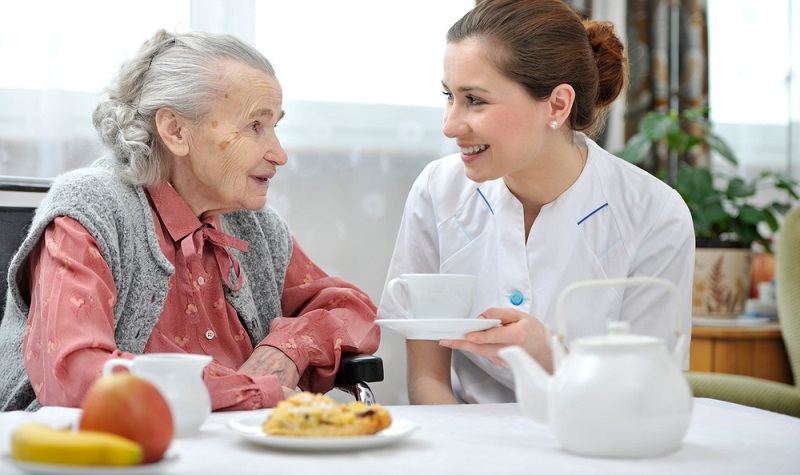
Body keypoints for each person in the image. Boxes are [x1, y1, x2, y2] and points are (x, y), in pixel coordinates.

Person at [0, 29, 379, 412]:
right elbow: (77, 375)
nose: (279, 154)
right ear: (176, 130)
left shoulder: (256, 225)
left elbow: (353, 311)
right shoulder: (90, 211)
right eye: (254, 126)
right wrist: (255, 392)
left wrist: (289, 348)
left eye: (275, 126)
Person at [378, 0, 695, 405]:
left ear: (558, 105)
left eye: (475, 100)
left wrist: (549, 354)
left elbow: (650, 393)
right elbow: (428, 380)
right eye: (449, 96)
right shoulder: (437, 191)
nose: (450, 125)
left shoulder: (654, 215)